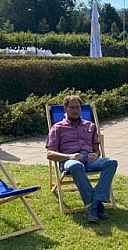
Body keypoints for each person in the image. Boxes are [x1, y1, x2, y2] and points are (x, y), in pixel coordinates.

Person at [46, 96, 118, 224]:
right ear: (65, 109)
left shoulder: (90, 126)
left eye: (77, 107)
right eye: (72, 107)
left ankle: (94, 205)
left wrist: (95, 154)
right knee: (76, 166)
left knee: (111, 162)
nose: (75, 110)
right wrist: (69, 156)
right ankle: (95, 205)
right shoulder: (58, 128)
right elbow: (50, 154)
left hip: (89, 159)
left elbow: (97, 149)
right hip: (69, 160)